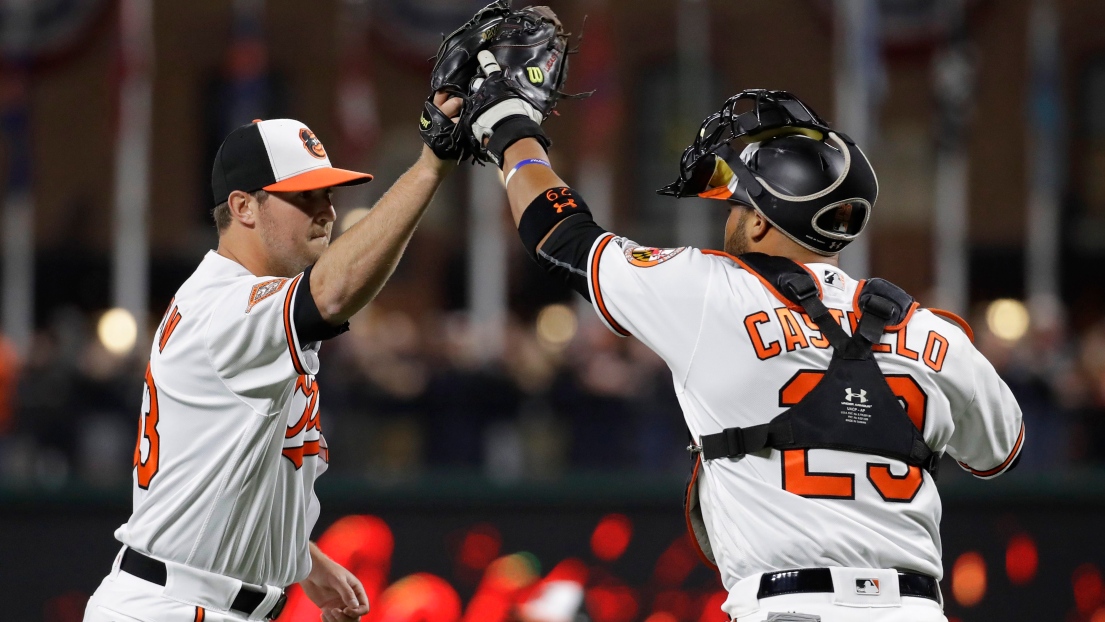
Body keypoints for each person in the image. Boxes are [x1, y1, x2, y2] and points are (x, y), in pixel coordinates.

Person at [458, 56, 1024, 622]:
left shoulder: (715, 293)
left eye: (736, 205)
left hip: (792, 607)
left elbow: (561, 236)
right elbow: (1000, 449)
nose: (730, 218)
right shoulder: (930, 330)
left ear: (758, 222)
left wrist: (511, 128)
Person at [84, 95, 462, 622]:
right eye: (304, 196)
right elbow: (330, 295)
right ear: (242, 207)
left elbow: (221, 473)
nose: (327, 211)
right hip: (174, 605)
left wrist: (301, 559)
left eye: (327, 194)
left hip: (193, 599)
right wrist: (430, 167)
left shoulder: (234, 301)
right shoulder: (226, 306)